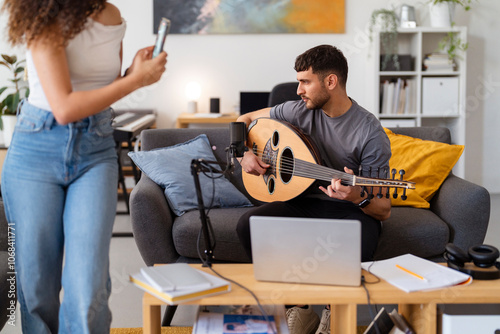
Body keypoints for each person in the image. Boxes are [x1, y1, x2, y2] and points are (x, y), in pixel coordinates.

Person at [1, 1, 167, 332]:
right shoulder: (41, 15)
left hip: (96, 149)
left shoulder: (111, 15)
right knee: (36, 290)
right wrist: (136, 82)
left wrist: (133, 73)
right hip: (36, 148)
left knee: (88, 288)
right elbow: (63, 107)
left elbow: (102, 91)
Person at [235, 45, 391, 334]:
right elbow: (244, 120)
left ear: (330, 82)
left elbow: (383, 210)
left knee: (362, 234)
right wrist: (242, 153)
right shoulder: (296, 111)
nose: (298, 90)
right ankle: (300, 308)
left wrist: (357, 196)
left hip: (347, 208)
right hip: (301, 200)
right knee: (250, 224)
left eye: (305, 82)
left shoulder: (370, 133)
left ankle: (334, 311)